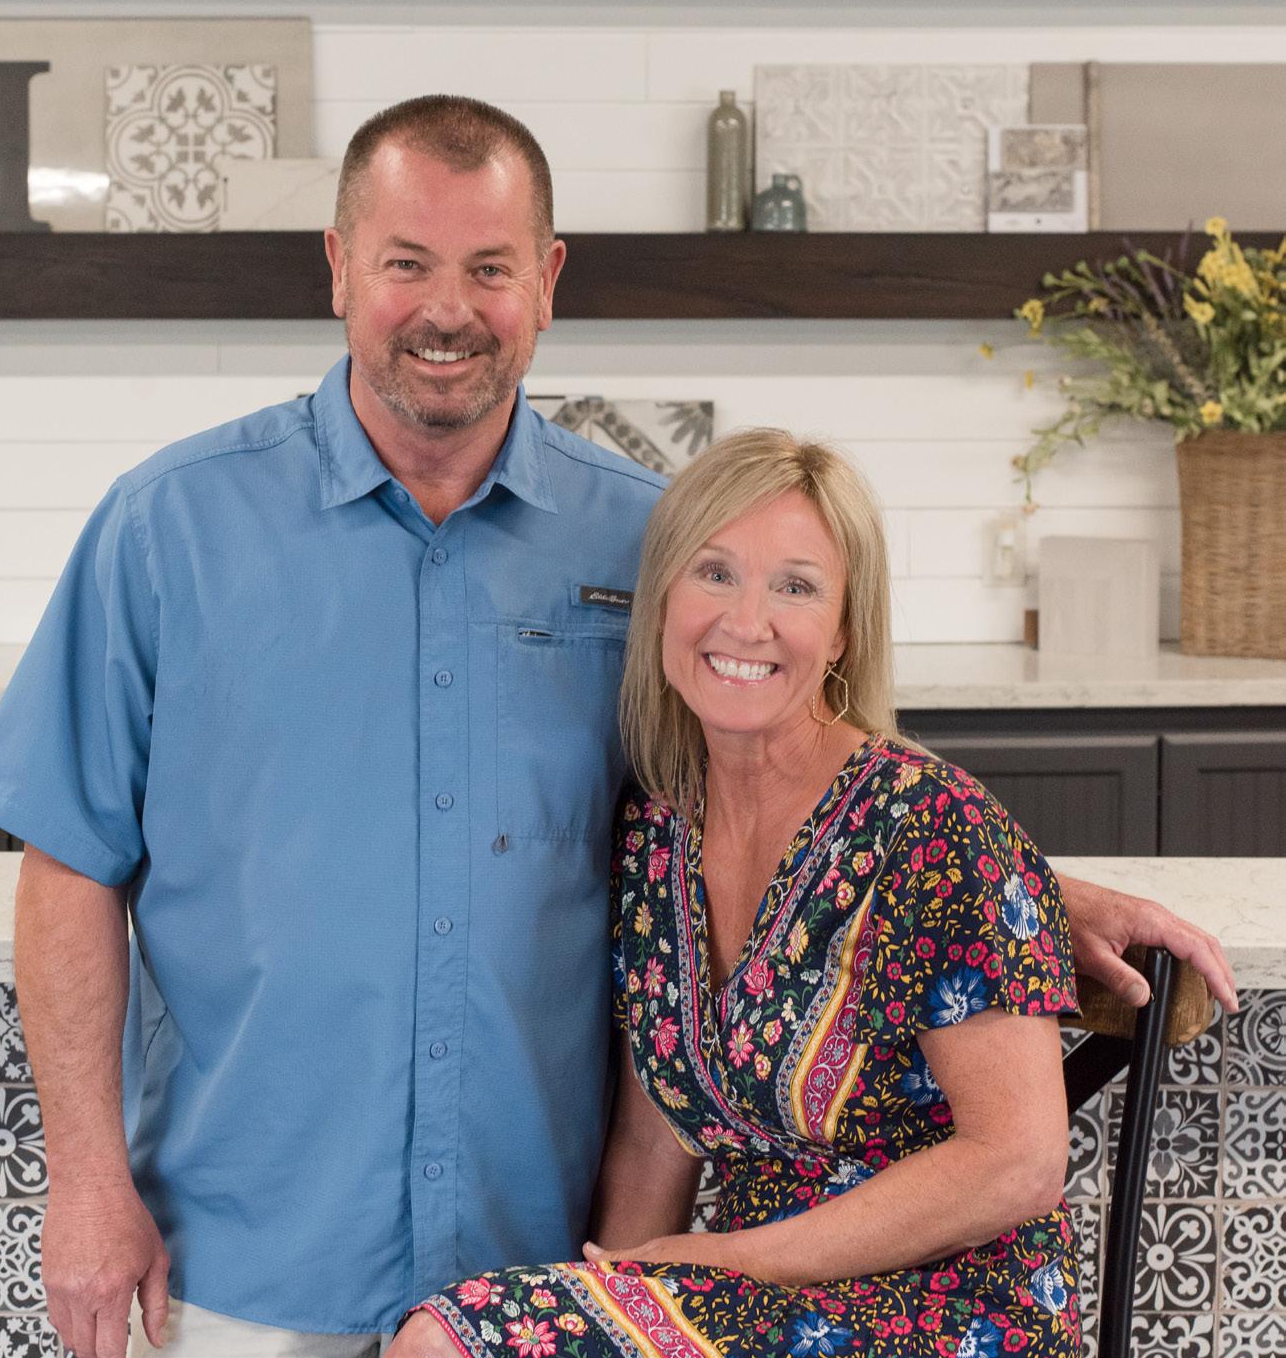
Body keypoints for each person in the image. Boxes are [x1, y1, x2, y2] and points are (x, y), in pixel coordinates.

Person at [0, 95, 1237, 1358]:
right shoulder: (167, 528)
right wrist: (86, 1182)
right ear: (338, 265)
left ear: (548, 281)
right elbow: (67, 863)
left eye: (490, 268)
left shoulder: (654, 544)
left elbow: (786, 781)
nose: (448, 308)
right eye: (406, 261)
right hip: (242, 1244)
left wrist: (1021, 897)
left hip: (525, 1249)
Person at [394, 430, 1082, 1358]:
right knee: (453, 1336)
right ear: (662, 600)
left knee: (445, 1342)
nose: (747, 621)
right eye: (714, 573)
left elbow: (1019, 1162)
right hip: (744, 1305)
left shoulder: (931, 823)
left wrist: (728, 1260)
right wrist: (615, 1295)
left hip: (951, 1308)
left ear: (843, 629)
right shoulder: (657, 834)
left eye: (795, 586)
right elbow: (653, 1145)